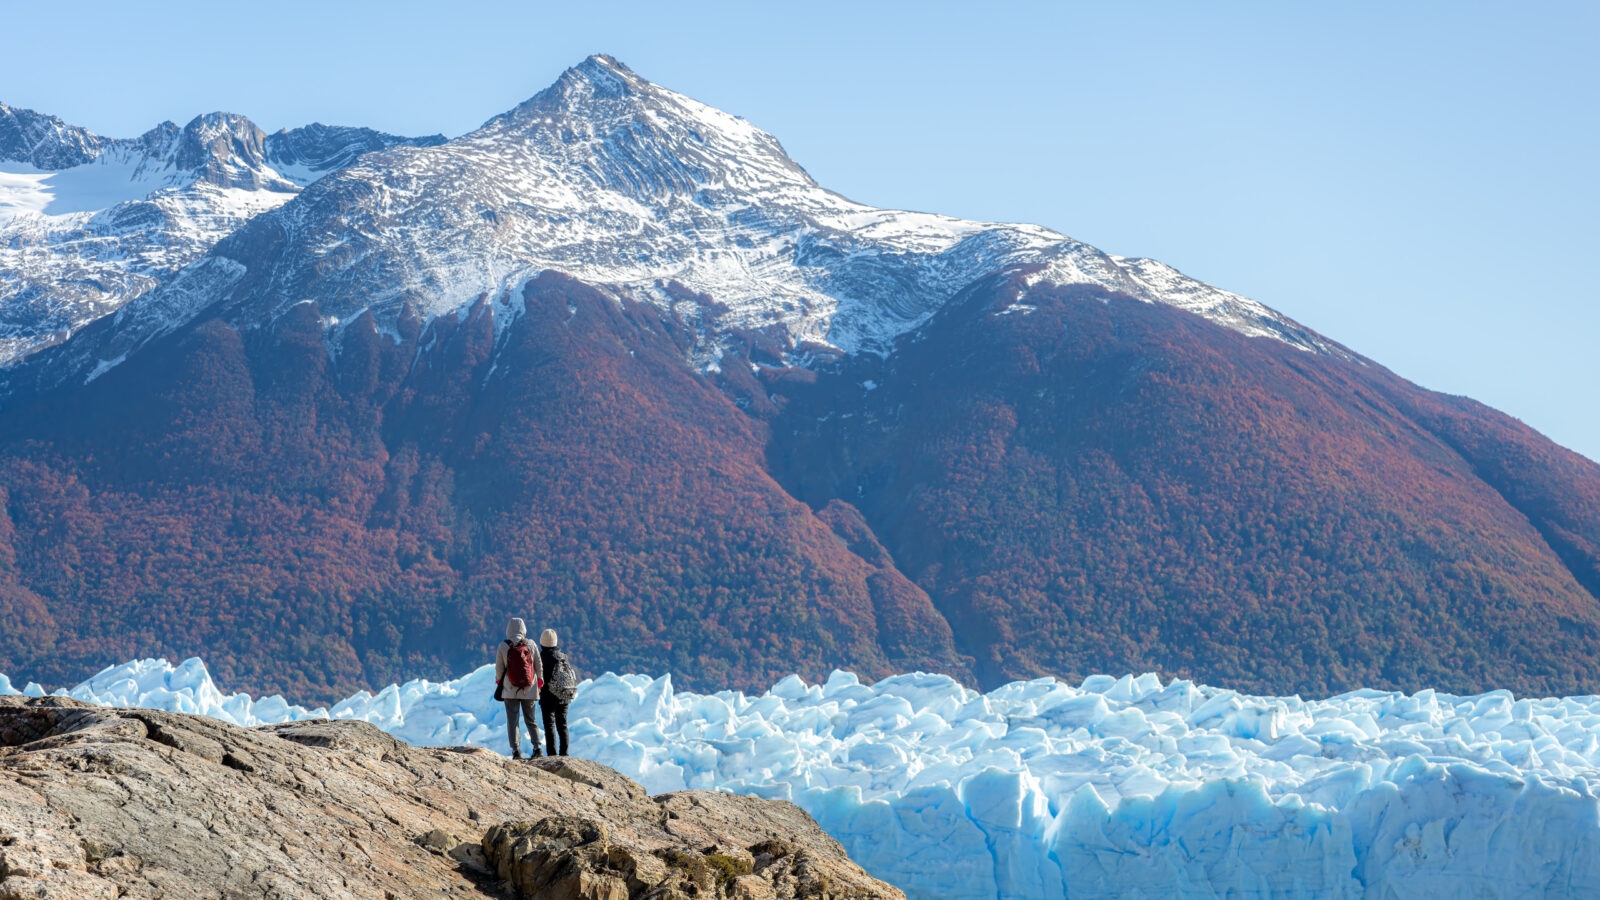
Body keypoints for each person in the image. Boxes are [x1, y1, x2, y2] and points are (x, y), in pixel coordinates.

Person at [496, 617, 543, 759]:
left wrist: (500, 683)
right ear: (523, 629)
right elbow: (538, 665)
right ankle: (537, 748)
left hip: (510, 690)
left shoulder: (503, 646)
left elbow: (499, 669)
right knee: (531, 719)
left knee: (512, 721)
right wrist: (539, 682)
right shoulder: (531, 644)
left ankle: (516, 751)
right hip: (530, 689)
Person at [539, 628, 573, 757]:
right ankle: (565, 753)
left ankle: (552, 755)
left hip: (548, 696)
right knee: (562, 724)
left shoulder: (542, 658)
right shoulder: (563, 656)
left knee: (549, 726)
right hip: (564, 695)